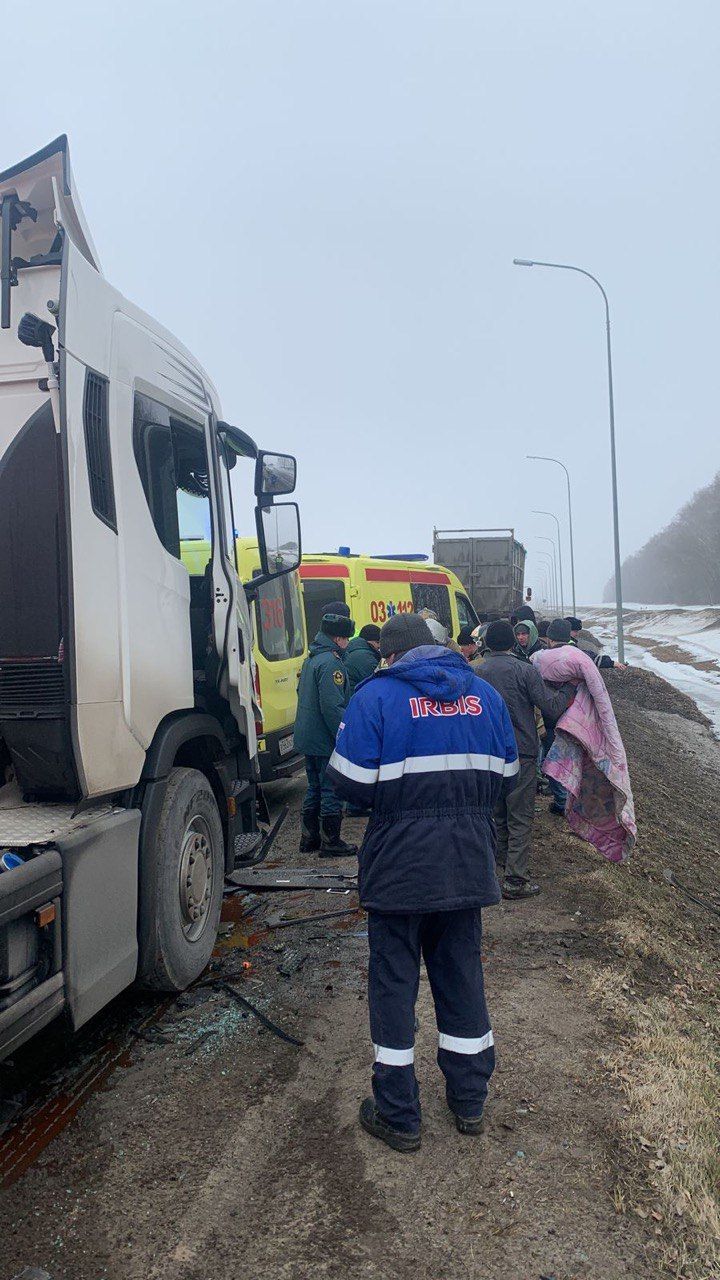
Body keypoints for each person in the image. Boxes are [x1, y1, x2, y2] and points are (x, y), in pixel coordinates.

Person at [326, 613, 519, 1152]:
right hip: (466, 862)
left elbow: (349, 784)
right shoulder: (484, 695)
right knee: (461, 976)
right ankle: (469, 1101)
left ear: (389, 656)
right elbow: (506, 776)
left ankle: (399, 1114)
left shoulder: (376, 698)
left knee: (394, 984)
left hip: (399, 869)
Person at [479, 620, 572, 898]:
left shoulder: (475, 672)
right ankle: (516, 880)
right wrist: (569, 687)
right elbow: (552, 705)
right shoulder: (525, 671)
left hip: (487, 753)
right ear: (511, 643)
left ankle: (499, 867)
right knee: (520, 815)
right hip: (521, 753)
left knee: (496, 813)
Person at [294, 605, 357, 857]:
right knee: (330, 787)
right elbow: (332, 706)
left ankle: (309, 839)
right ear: (338, 638)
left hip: (309, 738)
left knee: (314, 787)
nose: (348, 643)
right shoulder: (332, 664)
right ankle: (331, 841)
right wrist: (343, 736)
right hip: (324, 739)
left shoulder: (312, 659)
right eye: (346, 638)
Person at [345, 624, 381, 695]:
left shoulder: (355, 650)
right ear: (369, 641)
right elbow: (377, 684)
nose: (379, 646)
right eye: (377, 642)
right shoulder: (365, 658)